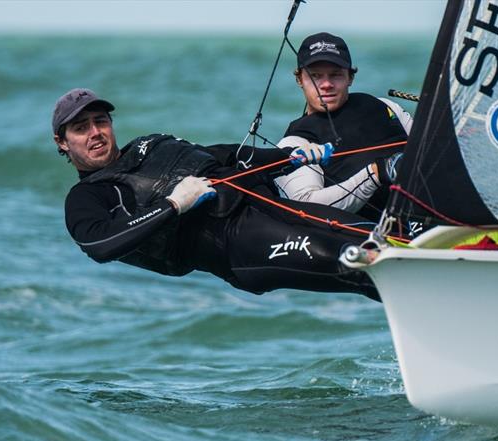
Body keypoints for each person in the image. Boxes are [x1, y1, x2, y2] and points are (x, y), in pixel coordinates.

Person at [55, 88, 379, 300]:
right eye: (81, 128)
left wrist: (289, 159)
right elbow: (99, 245)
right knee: (359, 260)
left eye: (100, 121)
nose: (95, 132)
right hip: (240, 248)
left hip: (272, 209)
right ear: (62, 142)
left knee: (376, 240)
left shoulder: (148, 145)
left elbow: (222, 154)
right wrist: (174, 204)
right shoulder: (86, 197)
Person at [272, 32, 413, 224]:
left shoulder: (386, 106)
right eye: (315, 76)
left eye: (336, 75)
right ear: (299, 80)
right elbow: (307, 207)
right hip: (382, 234)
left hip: (436, 211)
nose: (327, 84)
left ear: (350, 77)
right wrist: (377, 173)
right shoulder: (295, 142)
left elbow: (429, 149)